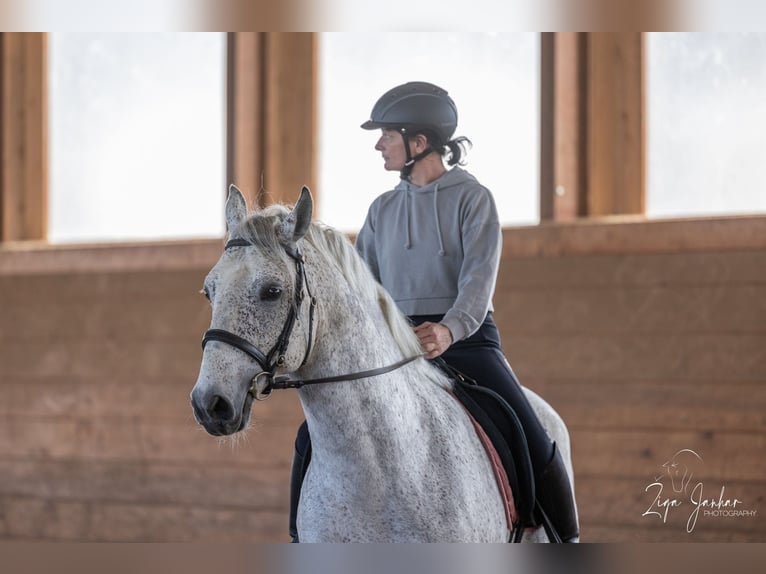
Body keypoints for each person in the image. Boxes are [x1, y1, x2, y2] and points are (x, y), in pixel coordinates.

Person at [288, 81, 579, 542]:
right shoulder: (381, 210)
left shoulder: (473, 199)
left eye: (387, 135)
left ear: (419, 143)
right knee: (311, 435)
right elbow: (365, 291)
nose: (379, 144)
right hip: (395, 347)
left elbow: (478, 282)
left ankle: (565, 538)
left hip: (465, 340)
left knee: (531, 432)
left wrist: (448, 331)